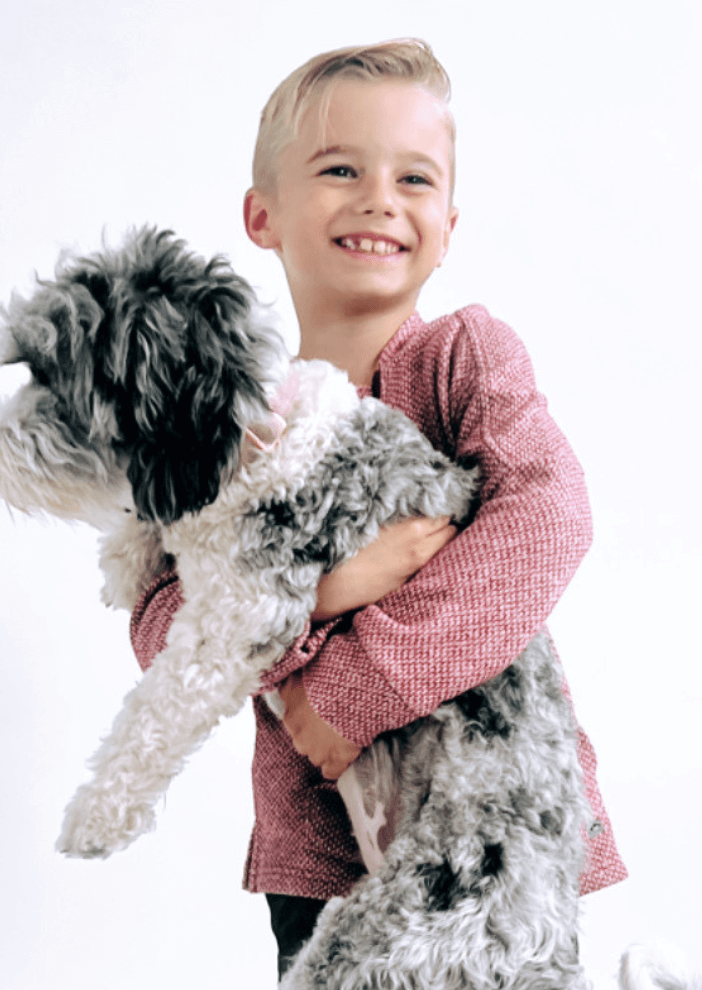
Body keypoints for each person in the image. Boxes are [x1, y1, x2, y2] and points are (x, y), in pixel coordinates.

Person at [129, 38, 628, 979]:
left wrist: (364, 684)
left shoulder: (462, 361)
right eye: (340, 169)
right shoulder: (223, 422)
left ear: (447, 223)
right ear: (261, 214)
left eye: (413, 177)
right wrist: (321, 592)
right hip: (320, 860)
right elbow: (162, 627)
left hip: (490, 843)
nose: (378, 199)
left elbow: (550, 512)